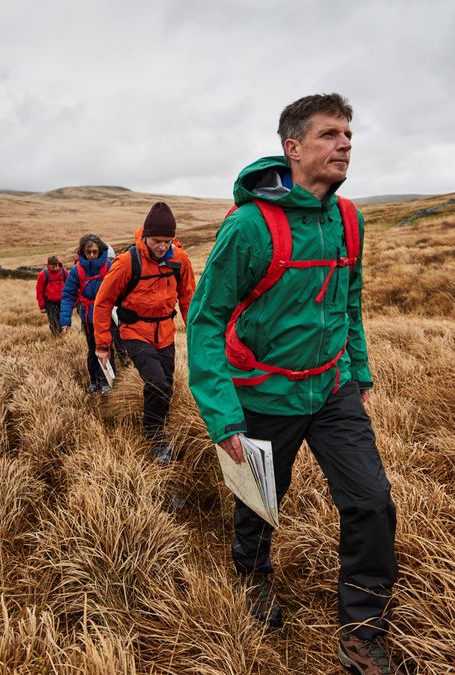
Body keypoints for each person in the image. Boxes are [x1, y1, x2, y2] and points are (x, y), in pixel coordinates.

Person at [186, 93, 405, 674]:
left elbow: (348, 303)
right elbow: (205, 320)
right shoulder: (250, 227)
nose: (345, 144)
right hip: (262, 395)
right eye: (330, 134)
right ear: (293, 148)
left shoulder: (350, 219)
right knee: (261, 500)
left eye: (349, 134)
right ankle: (254, 576)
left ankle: (363, 628)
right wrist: (224, 416)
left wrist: (358, 374)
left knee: (371, 502)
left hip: (332, 391)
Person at [93, 202, 196, 461]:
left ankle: (157, 424)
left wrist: (196, 332)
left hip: (165, 333)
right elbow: (103, 302)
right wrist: (103, 344)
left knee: (166, 385)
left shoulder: (180, 259)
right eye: (157, 241)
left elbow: (187, 297)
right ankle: (155, 438)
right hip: (135, 333)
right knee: (157, 382)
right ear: (145, 236)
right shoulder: (128, 262)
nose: (162, 246)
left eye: (167, 241)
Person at [59, 234, 113, 393]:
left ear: (100, 250)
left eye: (94, 252)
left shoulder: (109, 267)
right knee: (92, 350)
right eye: (88, 252)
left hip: (107, 315)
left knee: (108, 348)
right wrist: (65, 320)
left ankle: (107, 382)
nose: (91, 255)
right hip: (88, 316)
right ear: (82, 252)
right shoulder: (77, 270)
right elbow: (68, 295)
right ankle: (95, 381)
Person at [35, 255, 67, 337]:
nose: (56, 268)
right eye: (53, 267)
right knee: (54, 322)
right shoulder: (43, 274)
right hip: (50, 303)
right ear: (48, 265)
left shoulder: (64, 272)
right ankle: (56, 337)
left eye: (56, 266)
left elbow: (70, 286)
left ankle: (60, 336)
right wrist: (42, 306)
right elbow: (39, 291)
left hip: (62, 301)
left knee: (62, 322)